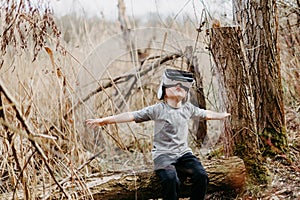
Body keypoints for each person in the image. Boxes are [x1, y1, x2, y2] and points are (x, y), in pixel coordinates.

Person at [86, 68, 230, 200]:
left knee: (201, 176)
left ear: (186, 92)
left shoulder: (188, 108)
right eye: (174, 85)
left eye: (182, 86)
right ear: (164, 91)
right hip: (163, 155)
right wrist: (104, 121)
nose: (178, 87)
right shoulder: (157, 110)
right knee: (170, 179)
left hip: (184, 154)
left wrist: (222, 115)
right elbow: (131, 115)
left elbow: (205, 114)